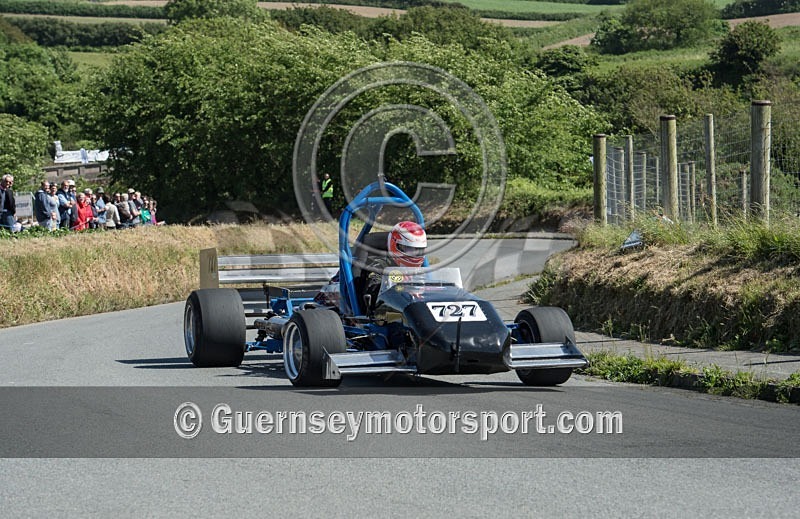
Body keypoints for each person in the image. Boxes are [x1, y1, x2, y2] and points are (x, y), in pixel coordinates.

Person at [363, 221, 427, 310]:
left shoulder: (419, 269)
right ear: (395, 245)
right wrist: (404, 288)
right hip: (386, 313)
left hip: (415, 312)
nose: (414, 254)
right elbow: (372, 290)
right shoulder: (380, 265)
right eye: (409, 249)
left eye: (418, 250)